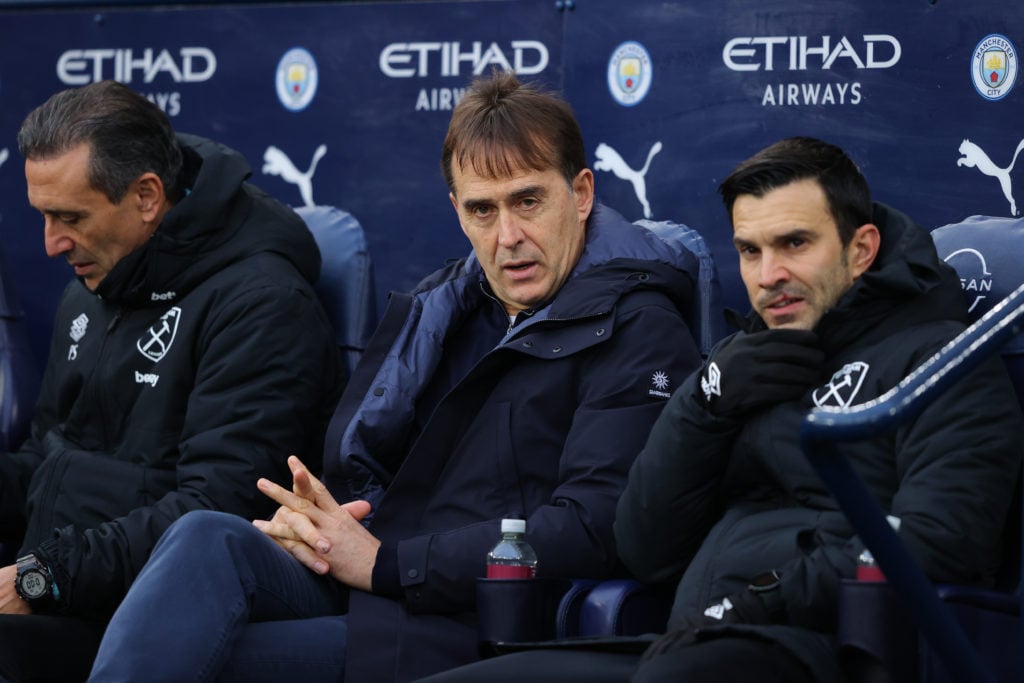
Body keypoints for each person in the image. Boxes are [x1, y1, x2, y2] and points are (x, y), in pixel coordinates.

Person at [84, 70, 704, 683]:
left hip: (472, 618)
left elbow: (595, 524)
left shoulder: (638, 327)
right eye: (483, 210)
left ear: (583, 193)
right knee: (204, 540)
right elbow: (388, 471)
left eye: (528, 201)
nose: (509, 236)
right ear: (457, 212)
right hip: (377, 578)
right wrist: (326, 521)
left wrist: (387, 563)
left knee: (209, 659)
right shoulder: (446, 307)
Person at [413, 136, 1024, 683]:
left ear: (861, 249)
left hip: (829, 646)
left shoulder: (944, 362)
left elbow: (938, 542)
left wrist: (759, 599)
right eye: (749, 251)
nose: (769, 275)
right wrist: (706, 404)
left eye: (795, 244)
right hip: (685, 638)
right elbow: (646, 546)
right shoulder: (739, 360)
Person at [0, 80, 341, 681]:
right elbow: (45, 462)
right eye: (44, 216)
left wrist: (44, 577)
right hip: (57, 590)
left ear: (148, 197)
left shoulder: (262, 302)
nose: (51, 243)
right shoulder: (91, 285)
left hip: (145, 620)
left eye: (70, 217)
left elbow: (219, 509)